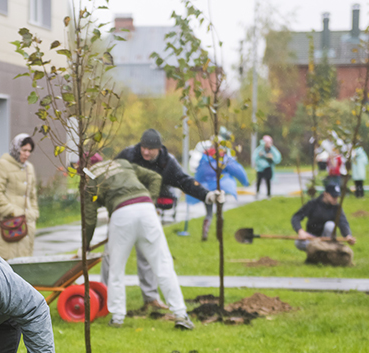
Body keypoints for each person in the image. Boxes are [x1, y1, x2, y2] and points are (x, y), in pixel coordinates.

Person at [82, 154, 213, 330]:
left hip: (121, 215)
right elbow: (155, 177)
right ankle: (181, 314)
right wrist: (150, 200)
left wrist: (86, 245)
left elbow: (90, 218)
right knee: (163, 264)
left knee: (116, 268)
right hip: (146, 210)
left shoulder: (90, 178)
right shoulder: (122, 163)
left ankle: (118, 317)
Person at [105, 128, 215, 310]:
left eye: (150, 149)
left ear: (159, 148)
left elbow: (184, 181)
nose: (146, 152)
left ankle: (150, 298)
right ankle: (105, 294)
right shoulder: (128, 155)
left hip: (147, 213)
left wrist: (206, 195)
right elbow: (109, 175)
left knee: (148, 255)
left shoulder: (167, 163)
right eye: (143, 147)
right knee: (111, 255)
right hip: (121, 211)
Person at [188, 137, 249, 241]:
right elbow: (236, 169)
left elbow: (198, 175)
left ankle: (205, 232)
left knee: (209, 213)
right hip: (221, 188)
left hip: (206, 190)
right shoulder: (223, 158)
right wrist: (245, 182)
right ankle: (219, 235)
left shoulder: (204, 159)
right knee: (220, 213)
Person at [0, 134, 39, 260]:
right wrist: (12, 212)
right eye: (24, 150)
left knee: (25, 263)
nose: (27, 154)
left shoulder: (30, 168)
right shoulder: (3, 165)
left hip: (28, 222)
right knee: (8, 264)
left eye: (29, 151)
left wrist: (34, 212)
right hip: (10, 223)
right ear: (16, 149)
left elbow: (32, 194)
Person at [290, 182, 356, 251]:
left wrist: (348, 235)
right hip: (312, 238)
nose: (335, 199)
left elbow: (343, 222)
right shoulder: (312, 204)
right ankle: (319, 251)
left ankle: (327, 250)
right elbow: (296, 217)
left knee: (330, 225)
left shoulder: (337, 208)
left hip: (327, 240)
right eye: (333, 196)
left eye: (337, 197)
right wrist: (300, 231)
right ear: (325, 194)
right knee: (298, 242)